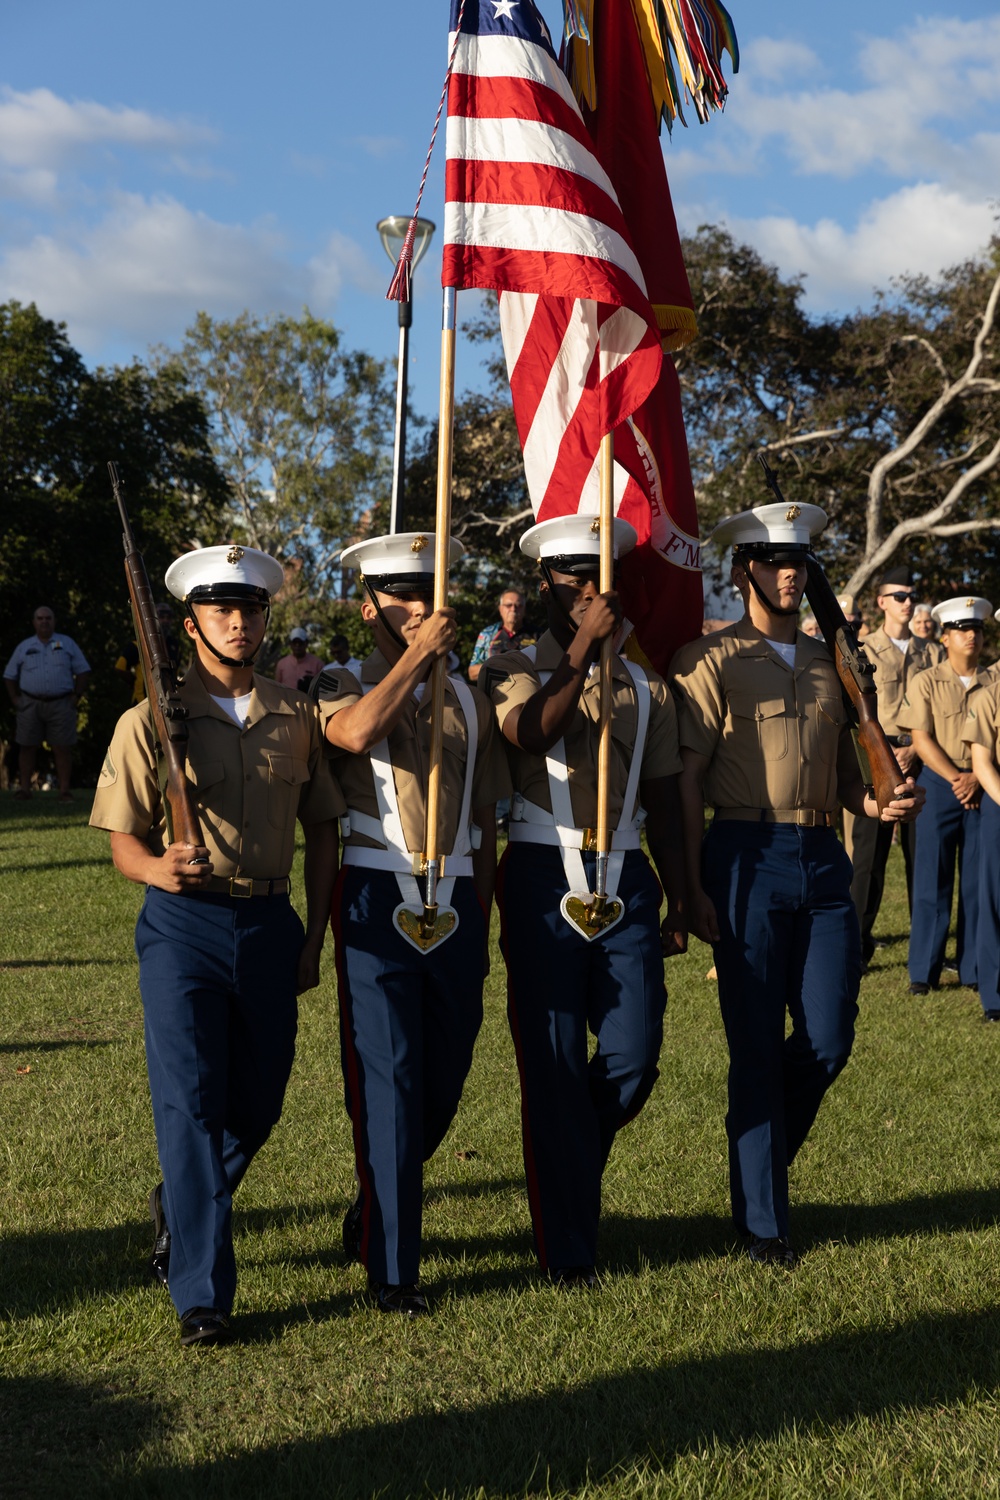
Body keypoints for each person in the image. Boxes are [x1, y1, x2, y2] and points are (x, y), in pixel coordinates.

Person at [89, 544, 342, 1347]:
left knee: (259, 1101)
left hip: (270, 925)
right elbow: (122, 842)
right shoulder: (151, 722)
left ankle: (183, 1201)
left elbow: (324, 829)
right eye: (221, 610)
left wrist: (313, 936)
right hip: (183, 925)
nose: (239, 622)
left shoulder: (294, 713)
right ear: (189, 622)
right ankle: (204, 1295)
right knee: (191, 1106)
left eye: (252, 609)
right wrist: (156, 866)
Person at [671, 503, 922, 1266]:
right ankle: (761, 1222)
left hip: (821, 856)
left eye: (801, 560)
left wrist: (880, 799)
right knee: (753, 1044)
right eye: (776, 559)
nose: (791, 571)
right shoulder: (707, 661)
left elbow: (850, 776)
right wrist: (688, 885)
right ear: (744, 567)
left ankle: (760, 1166)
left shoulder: (829, 663)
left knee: (828, 1038)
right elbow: (684, 783)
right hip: (745, 848)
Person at [483, 515, 686, 1286]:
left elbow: (666, 803)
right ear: (548, 587)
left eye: (600, 579)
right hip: (542, 869)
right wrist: (578, 652)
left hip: (627, 876)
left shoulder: (644, 684)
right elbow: (533, 731)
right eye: (573, 581)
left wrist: (682, 895)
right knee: (556, 1062)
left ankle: (563, 1160)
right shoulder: (513, 664)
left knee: (633, 1057)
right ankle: (568, 1250)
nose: (589, 594)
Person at [315, 531, 509, 1317]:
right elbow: (356, 734)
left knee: (445, 1078)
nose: (423, 607)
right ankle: (394, 1270)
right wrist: (414, 658)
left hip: (456, 898)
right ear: (369, 608)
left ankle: (376, 1198)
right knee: (390, 1082)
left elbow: (487, 816)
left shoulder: (467, 694)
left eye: (429, 592)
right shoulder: (339, 679)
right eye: (401, 596)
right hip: (374, 890)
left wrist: (484, 912)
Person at [899, 597, 992, 995]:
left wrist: (977, 777)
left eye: (976, 629)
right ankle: (924, 970)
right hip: (941, 782)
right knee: (931, 877)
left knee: (978, 879)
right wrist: (959, 777)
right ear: (946, 636)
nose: (970, 636)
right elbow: (920, 739)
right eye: (960, 630)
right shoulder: (926, 680)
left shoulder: (995, 681)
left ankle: (972, 967)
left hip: (987, 783)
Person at [848, 567, 936, 967]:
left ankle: (926, 948)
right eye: (899, 596)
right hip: (876, 761)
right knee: (867, 861)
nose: (907, 602)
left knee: (924, 860)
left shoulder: (932, 651)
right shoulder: (861, 649)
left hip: (923, 756)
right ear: (881, 602)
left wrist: (916, 748)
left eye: (911, 595)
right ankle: (856, 945)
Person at [4, 605, 90, 802]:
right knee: (27, 746)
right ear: (34, 622)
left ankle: (64, 791)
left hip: (61, 703)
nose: (44, 621)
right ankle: (24, 790)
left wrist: (77, 696)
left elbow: (84, 670)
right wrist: (15, 699)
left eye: (48, 618)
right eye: (40, 618)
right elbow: (9, 675)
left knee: (62, 747)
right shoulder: (24, 646)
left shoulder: (67, 643)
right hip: (29, 703)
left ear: (54, 621)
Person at [965, 629, 1000, 1021]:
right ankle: (994, 994)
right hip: (998, 798)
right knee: (993, 899)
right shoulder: (990, 691)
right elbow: (982, 761)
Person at [115, 603, 180, 704]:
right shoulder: (139, 644)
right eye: (161, 617)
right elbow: (120, 668)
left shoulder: (174, 645)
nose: (165, 621)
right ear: (153, 619)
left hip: (169, 703)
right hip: (142, 702)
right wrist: (135, 682)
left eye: (169, 617)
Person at [468, 587, 535, 684]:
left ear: (524, 609)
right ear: (500, 609)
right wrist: (500, 665)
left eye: (518, 605)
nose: (513, 609)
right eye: (508, 605)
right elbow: (472, 673)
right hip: (495, 693)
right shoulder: (487, 634)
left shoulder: (538, 635)